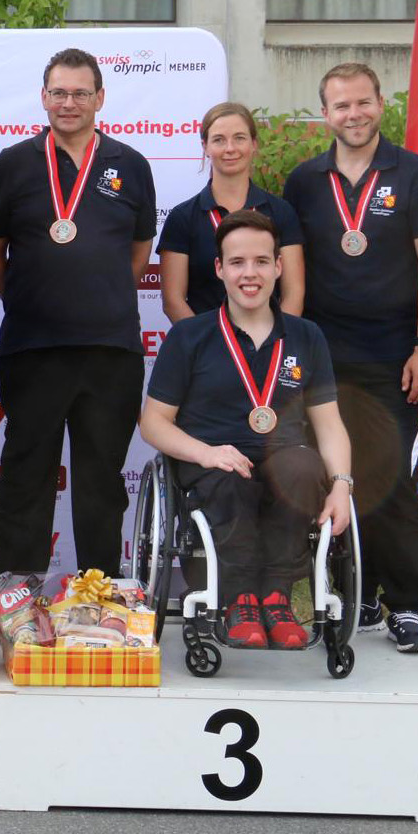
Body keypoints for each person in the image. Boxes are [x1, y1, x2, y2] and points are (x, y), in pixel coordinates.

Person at [283, 62, 418, 653]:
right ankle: (351, 596)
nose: (353, 115)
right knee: (331, 480)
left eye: (362, 103)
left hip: (395, 358)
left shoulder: (414, 174)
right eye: (340, 106)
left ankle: (406, 605)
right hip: (323, 360)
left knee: (393, 480)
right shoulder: (304, 182)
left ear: (381, 103)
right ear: (324, 114)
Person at [141, 210, 354, 649]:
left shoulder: (306, 336)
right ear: (219, 269)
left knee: (300, 465)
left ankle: (276, 598)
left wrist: (342, 486)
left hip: (284, 458)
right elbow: (153, 423)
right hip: (212, 462)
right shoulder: (190, 337)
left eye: (261, 261)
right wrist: (205, 452)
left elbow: (329, 424)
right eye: (237, 262)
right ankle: (239, 600)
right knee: (229, 476)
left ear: (279, 267)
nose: (249, 273)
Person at [0, 48, 155, 577]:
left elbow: (139, 251)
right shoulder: (12, 164)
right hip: (33, 348)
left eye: (81, 93)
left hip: (111, 350)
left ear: (100, 98)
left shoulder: (130, 164)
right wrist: (31, 297)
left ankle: (98, 593)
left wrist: (97, 293)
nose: (69, 103)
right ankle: (14, 593)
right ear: (43, 97)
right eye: (58, 92)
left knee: (101, 481)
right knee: (25, 472)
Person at [158, 101, 305, 320]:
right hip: (204, 349)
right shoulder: (183, 218)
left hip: (269, 349)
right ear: (205, 146)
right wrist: (205, 347)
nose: (230, 148)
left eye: (239, 138)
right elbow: (173, 301)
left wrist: (273, 346)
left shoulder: (281, 212)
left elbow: (294, 294)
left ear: (254, 144)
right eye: (219, 140)